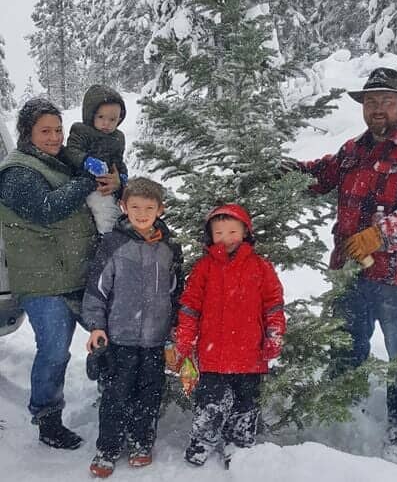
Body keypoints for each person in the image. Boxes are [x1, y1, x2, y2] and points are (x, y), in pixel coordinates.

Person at [293, 68, 397, 463]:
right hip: (351, 270)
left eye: (384, 101)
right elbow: (322, 173)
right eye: (369, 101)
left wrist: (381, 235)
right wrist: (284, 173)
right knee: (346, 340)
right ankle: (343, 405)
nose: (376, 108)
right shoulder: (355, 150)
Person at [0, 98, 118, 449]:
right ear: (27, 133)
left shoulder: (60, 161)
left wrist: (112, 182)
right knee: (54, 350)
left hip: (79, 274)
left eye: (58, 130)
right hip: (42, 282)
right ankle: (47, 416)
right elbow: (46, 209)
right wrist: (87, 181)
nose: (54, 137)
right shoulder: (16, 172)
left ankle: (116, 404)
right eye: (45, 131)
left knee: (110, 337)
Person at [167, 203, 286, 467]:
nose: (226, 239)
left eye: (233, 232)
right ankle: (203, 438)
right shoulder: (204, 269)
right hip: (213, 355)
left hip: (250, 354)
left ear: (245, 232)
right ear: (211, 236)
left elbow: (273, 305)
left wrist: (274, 334)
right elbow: (189, 307)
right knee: (210, 401)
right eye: (219, 233)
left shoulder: (261, 267)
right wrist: (184, 340)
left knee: (246, 403)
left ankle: (240, 443)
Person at [82, 177, 183, 478]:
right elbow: (96, 290)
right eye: (135, 207)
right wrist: (96, 326)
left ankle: (141, 442)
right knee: (115, 394)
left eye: (149, 208)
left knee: (149, 393)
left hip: (155, 339)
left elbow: (177, 292)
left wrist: (175, 330)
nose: (141, 213)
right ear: (124, 207)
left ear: (160, 210)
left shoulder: (169, 249)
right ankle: (108, 448)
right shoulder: (113, 244)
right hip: (120, 337)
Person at [60, 84, 128, 234]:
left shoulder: (118, 138)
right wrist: (86, 160)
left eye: (112, 119)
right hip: (86, 181)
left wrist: (122, 177)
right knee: (105, 211)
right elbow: (71, 150)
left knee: (123, 208)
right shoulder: (81, 131)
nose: (106, 123)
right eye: (101, 117)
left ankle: (123, 235)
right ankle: (109, 238)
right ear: (91, 114)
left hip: (108, 183)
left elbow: (118, 161)